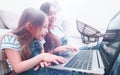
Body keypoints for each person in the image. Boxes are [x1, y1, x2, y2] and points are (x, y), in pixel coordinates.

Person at [0, 8, 67, 75]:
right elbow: (17, 68)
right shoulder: (11, 39)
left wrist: (43, 61)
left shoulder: (38, 39)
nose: (47, 31)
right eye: (44, 27)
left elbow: (42, 56)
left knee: (65, 71)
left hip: (37, 70)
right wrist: (41, 57)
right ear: (29, 27)